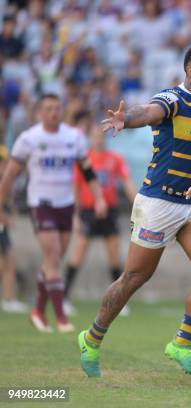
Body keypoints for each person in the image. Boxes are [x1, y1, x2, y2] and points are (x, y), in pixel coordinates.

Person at [77, 45, 191, 378]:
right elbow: (147, 112)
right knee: (134, 278)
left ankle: (181, 344)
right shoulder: (174, 99)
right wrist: (125, 119)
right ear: (190, 71)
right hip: (159, 201)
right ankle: (92, 337)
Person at [0, 94, 107, 333]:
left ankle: (38, 310)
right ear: (40, 112)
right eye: (48, 109)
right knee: (54, 255)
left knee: (53, 261)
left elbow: (88, 171)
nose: (53, 113)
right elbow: (10, 175)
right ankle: (60, 317)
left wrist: (98, 198)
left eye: (57, 108)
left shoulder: (74, 137)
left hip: (65, 205)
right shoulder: (29, 139)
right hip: (41, 204)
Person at [63, 123, 137, 316]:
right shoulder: (84, 160)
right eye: (95, 135)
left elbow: (127, 181)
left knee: (114, 258)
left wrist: (138, 203)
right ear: (90, 137)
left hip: (109, 212)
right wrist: (76, 215)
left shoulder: (115, 159)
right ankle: (63, 299)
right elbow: (75, 188)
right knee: (77, 255)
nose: (99, 139)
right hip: (88, 211)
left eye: (101, 135)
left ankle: (118, 302)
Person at [0, 142, 26, 314]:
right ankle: (8, 300)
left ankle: (8, 299)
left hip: (3, 227)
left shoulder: (7, 181)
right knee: (7, 262)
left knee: (9, 262)